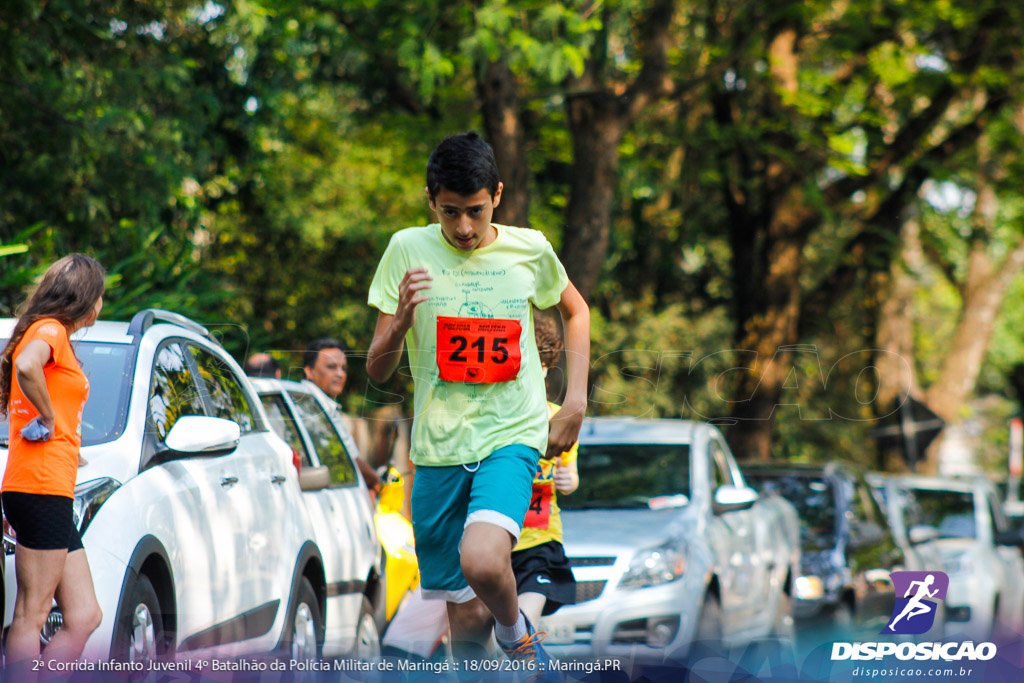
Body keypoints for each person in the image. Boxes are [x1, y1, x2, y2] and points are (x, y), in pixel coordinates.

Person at [366, 132, 590, 670]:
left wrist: (575, 401)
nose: (462, 228)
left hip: (511, 434)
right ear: (430, 201)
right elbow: (377, 369)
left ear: (497, 195)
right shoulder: (406, 250)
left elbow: (576, 313)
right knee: (465, 626)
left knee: (485, 562)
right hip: (439, 450)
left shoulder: (530, 248)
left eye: (474, 211)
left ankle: (518, 637)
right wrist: (399, 321)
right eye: (449, 213)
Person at [0, 254, 105, 674]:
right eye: (100, 296)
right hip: (40, 488)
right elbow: (27, 366)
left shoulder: (48, 332)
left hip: (47, 486)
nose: (101, 305)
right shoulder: (51, 330)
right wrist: (48, 417)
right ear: (85, 297)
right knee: (31, 614)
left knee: (84, 616)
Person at [511, 315, 579, 626]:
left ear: (547, 368)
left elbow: (570, 475)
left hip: (539, 541)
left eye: (537, 367)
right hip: (496, 541)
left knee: (525, 623)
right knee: (490, 635)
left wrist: (569, 480)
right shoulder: (498, 421)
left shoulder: (559, 420)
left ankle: (530, 666)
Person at [302, 338, 382, 493]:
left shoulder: (306, 400)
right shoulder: (315, 406)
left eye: (343, 368)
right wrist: (376, 481)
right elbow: (351, 460)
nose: (340, 374)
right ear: (309, 371)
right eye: (331, 367)